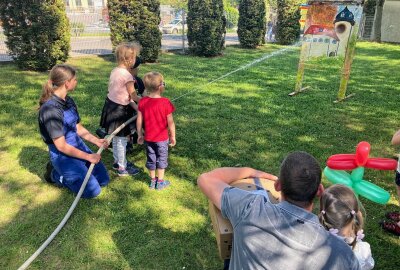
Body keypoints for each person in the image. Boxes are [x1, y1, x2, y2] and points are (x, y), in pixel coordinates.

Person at [197, 151, 360, 270]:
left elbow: (206, 179)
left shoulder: (250, 209)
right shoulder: (343, 256)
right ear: (319, 191)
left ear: (278, 185)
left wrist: (251, 171)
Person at [38, 64, 110, 198]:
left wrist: (96, 141)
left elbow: (77, 127)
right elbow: (61, 146)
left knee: (103, 180)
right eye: (74, 79)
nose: (76, 81)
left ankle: (70, 171)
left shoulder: (68, 101)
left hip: (77, 144)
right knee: (92, 191)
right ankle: (55, 174)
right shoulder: (50, 110)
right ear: (67, 83)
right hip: (62, 153)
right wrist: (88, 157)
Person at [100, 42, 141, 176]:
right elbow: (133, 95)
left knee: (117, 138)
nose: (135, 61)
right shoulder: (128, 76)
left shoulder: (115, 71)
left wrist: (137, 107)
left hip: (111, 107)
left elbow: (122, 95)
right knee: (122, 140)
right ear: (128, 59)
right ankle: (122, 168)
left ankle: (118, 162)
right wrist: (147, 101)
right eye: (134, 57)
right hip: (120, 111)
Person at [319, 184, 375, 270]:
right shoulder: (363, 250)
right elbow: (369, 266)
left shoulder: (316, 241)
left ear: (323, 212)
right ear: (356, 212)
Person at [136, 72, 176, 190]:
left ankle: (153, 181)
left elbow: (139, 120)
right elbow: (171, 122)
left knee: (151, 158)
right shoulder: (165, 102)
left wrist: (139, 134)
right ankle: (160, 182)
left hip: (149, 138)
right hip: (162, 138)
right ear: (160, 87)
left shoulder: (142, 102)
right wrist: (173, 136)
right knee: (161, 158)